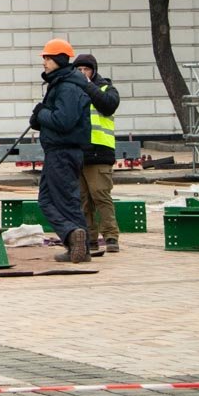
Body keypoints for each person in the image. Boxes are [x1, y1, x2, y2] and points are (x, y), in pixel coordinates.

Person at [29, 38, 92, 263]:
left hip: (63, 152)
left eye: (47, 57)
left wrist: (42, 114)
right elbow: (54, 116)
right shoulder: (61, 83)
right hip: (58, 151)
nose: (44, 62)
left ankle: (74, 236)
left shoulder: (68, 86)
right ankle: (78, 244)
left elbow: (63, 120)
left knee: (66, 200)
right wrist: (40, 117)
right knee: (47, 200)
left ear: (58, 59)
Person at [72, 53, 122, 253]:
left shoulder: (105, 88)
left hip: (100, 152)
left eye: (86, 69)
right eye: (79, 70)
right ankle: (89, 238)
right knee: (83, 200)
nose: (83, 73)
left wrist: (87, 86)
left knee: (100, 195)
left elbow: (108, 105)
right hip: (78, 153)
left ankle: (111, 236)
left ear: (93, 71)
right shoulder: (72, 91)